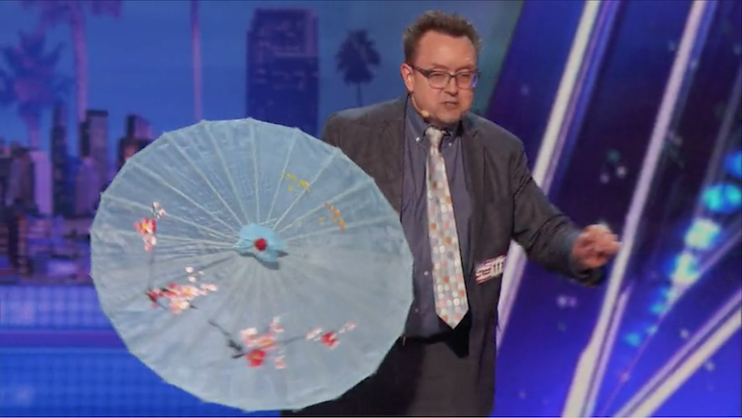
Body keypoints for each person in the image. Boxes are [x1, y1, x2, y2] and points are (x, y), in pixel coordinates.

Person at [283, 10, 620, 417]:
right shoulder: (352, 135)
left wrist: (577, 249)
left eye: (465, 76)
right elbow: (309, 226)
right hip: (362, 354)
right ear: (409, 76)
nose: (453, 88)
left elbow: (544, 228)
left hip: (450, 364)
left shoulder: (499, 150)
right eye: (438, 75)